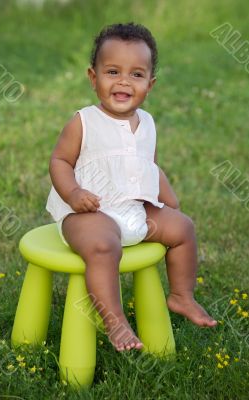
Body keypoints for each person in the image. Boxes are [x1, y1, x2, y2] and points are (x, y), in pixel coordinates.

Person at [46, 22, 217, 352]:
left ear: (149, 84)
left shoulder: (148, 123)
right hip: (87, 213)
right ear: (93, 78)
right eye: (112, 71)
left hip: (133, 209)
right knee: (103, 245)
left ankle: (182, 296)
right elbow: (60, 162)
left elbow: (148, 165)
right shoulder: (83, 121)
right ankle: (115, 322)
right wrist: (73, 194)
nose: (124, 81)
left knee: (183, 228)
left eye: (136, 74)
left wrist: (169, 201)